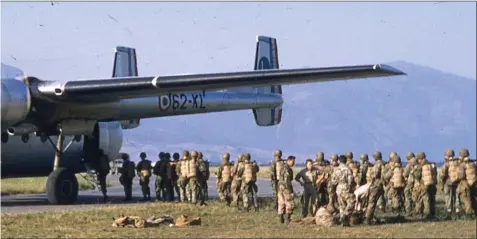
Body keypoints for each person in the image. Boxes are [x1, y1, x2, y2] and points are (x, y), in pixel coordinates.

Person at [331, 155, 356, 226]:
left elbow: (333, 181)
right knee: (352, 202)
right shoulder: (348, 169)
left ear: (339, 161)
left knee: (341, 206)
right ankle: (344, 216)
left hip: (339, 189)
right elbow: (350, 180)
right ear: (346, 161)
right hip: (346, 188)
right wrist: (350, 187)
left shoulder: (336, 170)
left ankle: (343, 221)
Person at [440, 149, 462, 219]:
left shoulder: (447, 163)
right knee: (457, 198)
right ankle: (457, 212)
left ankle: (449, 213)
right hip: (458, 182)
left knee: (448, 198)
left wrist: (442, 181)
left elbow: (442, 174)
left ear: (447, 155)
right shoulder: (458, 162)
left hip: (448, 182)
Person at [277, 155, 296, 225]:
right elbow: (287, 180)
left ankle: (281, 218)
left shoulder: (282, 167)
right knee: (290, 203)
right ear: (289, 160)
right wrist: (291, 191)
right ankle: (287, 219)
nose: (294, 163)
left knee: (281, 203)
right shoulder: (287, 169)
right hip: (286, 188)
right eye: (293, 161)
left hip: (280, 187)